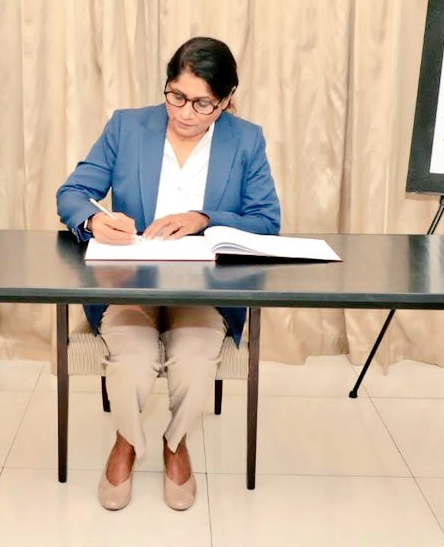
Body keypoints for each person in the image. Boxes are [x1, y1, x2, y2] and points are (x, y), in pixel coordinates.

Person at [56, 36, 280, 511]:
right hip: (128, 283)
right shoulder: (128, 126)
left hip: (204, 290)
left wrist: (205, 218)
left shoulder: (246, 140)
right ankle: (127, 442)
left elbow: (266, 221)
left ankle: (175, 443)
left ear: (226, 98)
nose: (184, 112)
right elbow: (73, 192)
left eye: (203, 103)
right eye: (176, 96)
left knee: (196, 363)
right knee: (133, 363)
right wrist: (95, 220)